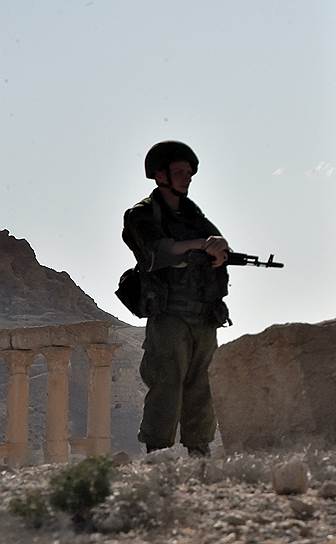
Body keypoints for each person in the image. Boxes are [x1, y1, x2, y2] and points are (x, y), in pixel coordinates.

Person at [121, 140, 230, 457]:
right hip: (169, 314)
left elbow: (218, 247)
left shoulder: (194, 216)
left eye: (189, 173)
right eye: (179, 172)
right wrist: (200, 245)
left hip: (203, 314)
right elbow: (157, 251)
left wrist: (219, 252)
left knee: (202, 387)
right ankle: (158, 456)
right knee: (167, 384)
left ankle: (199, 454)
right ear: (159, 175)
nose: (187, 178)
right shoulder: (143, 214)